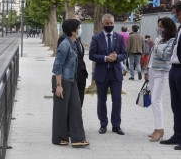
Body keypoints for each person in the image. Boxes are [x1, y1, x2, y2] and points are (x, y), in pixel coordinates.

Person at [52, 18, 89, 147]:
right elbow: (57, 66)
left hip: (71, 79)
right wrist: (58, 86)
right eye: (78, 28)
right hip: (62, 80)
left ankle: (78, 138)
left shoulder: (72, 42)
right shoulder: (65, 44)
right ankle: (58, 138)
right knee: (61, 111)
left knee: (76, 109)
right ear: (73, 31)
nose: (79, 30)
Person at [89, 13, 127, 135]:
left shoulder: (119, 37)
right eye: (107, 23)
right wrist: (105, 58)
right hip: (102, 74)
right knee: (102, 100)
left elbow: (124, 53)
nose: (110, 25)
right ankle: (103, 124)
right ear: (102, 24)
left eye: (111, 23)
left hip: (116, 74)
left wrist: (117, 57)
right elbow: (91, 55)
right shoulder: (96, 38)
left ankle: (116, 126)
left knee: (117, 100)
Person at [144, 17, 177, 142]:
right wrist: (147, 71)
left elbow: (166, 56)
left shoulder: (172, 40)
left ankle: (160, 129)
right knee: (154, 100)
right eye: (158, 26)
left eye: (161, 26)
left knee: (156, 100)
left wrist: (155, 45)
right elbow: (152, 56)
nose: (158, 28)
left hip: (162, 73)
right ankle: (157, 128)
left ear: (166, 27)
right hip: (152, 71)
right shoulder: (159, 38)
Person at [160, 1, 181, 150]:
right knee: (176, 105)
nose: (175, 16)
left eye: (176, 13)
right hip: (174, 69)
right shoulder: (180, 28)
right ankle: (178, 134)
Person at [57, 17, 88, 108]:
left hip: (81, 73)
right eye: (78, 26)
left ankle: (76, 118)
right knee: (71, 105)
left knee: (79, 103)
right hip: (70, 77)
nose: (80, 28)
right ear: (72, 29)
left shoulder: (76, 39)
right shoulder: (64, 41)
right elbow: (59, 64)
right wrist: (59, 84)